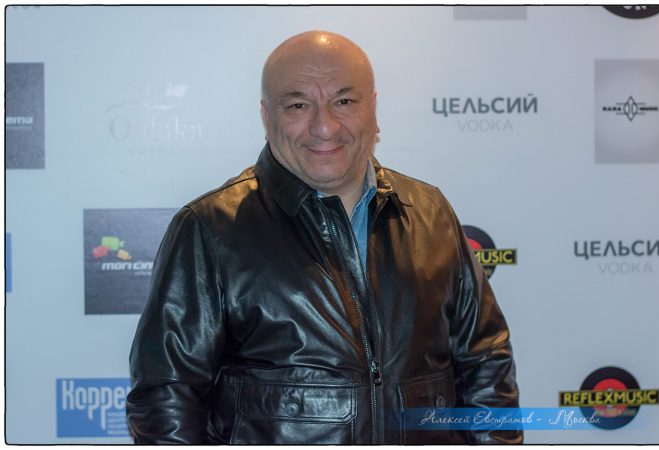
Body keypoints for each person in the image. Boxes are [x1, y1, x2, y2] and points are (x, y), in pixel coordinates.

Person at [127, 30, 522, 445]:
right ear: (267, 117)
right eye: (298, 105)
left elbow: (485, 365)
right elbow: (166, 402)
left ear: (373, 109)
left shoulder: (430, 211)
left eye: (344, 102)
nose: (325, 126)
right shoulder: (209, 229)